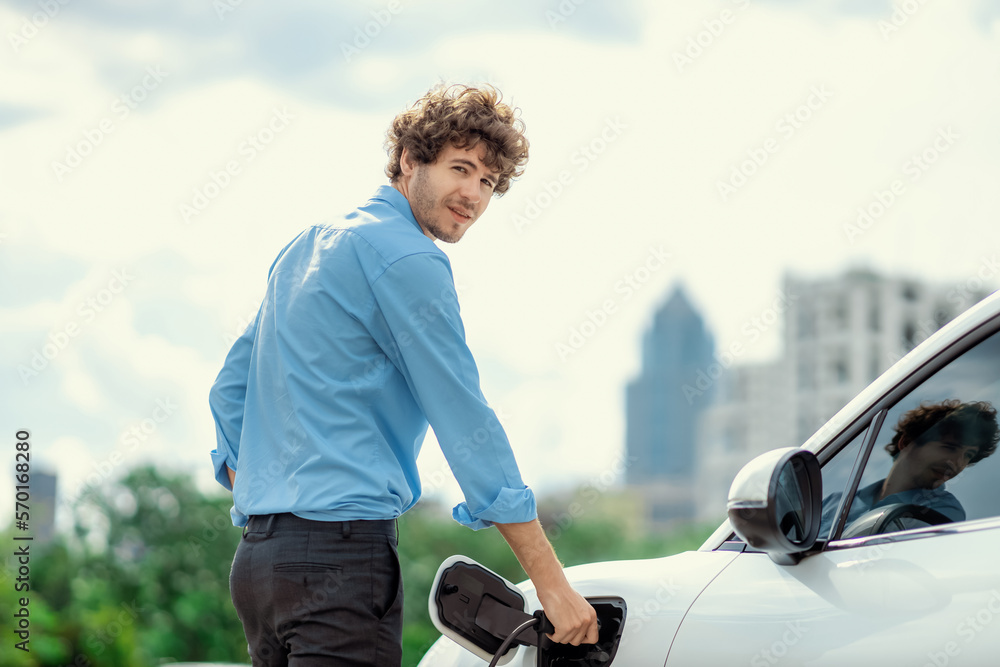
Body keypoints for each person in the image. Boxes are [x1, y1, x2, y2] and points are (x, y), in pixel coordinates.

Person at [208, 83, 598, 666]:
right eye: (459, 168)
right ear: (409, 160)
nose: (472, 193)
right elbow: (466, 422)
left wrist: (272, 506)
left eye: (488, 182)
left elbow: (228, 393)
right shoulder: (410, 258)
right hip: (339, 559)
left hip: (260, 566)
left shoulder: (308, 246)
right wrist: (552, 584)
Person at [820, 399, 999, 538]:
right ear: (906, 442)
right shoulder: (834, 503)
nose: (957, 463)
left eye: (968, 455)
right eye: (949, 448)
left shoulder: (941, 511)